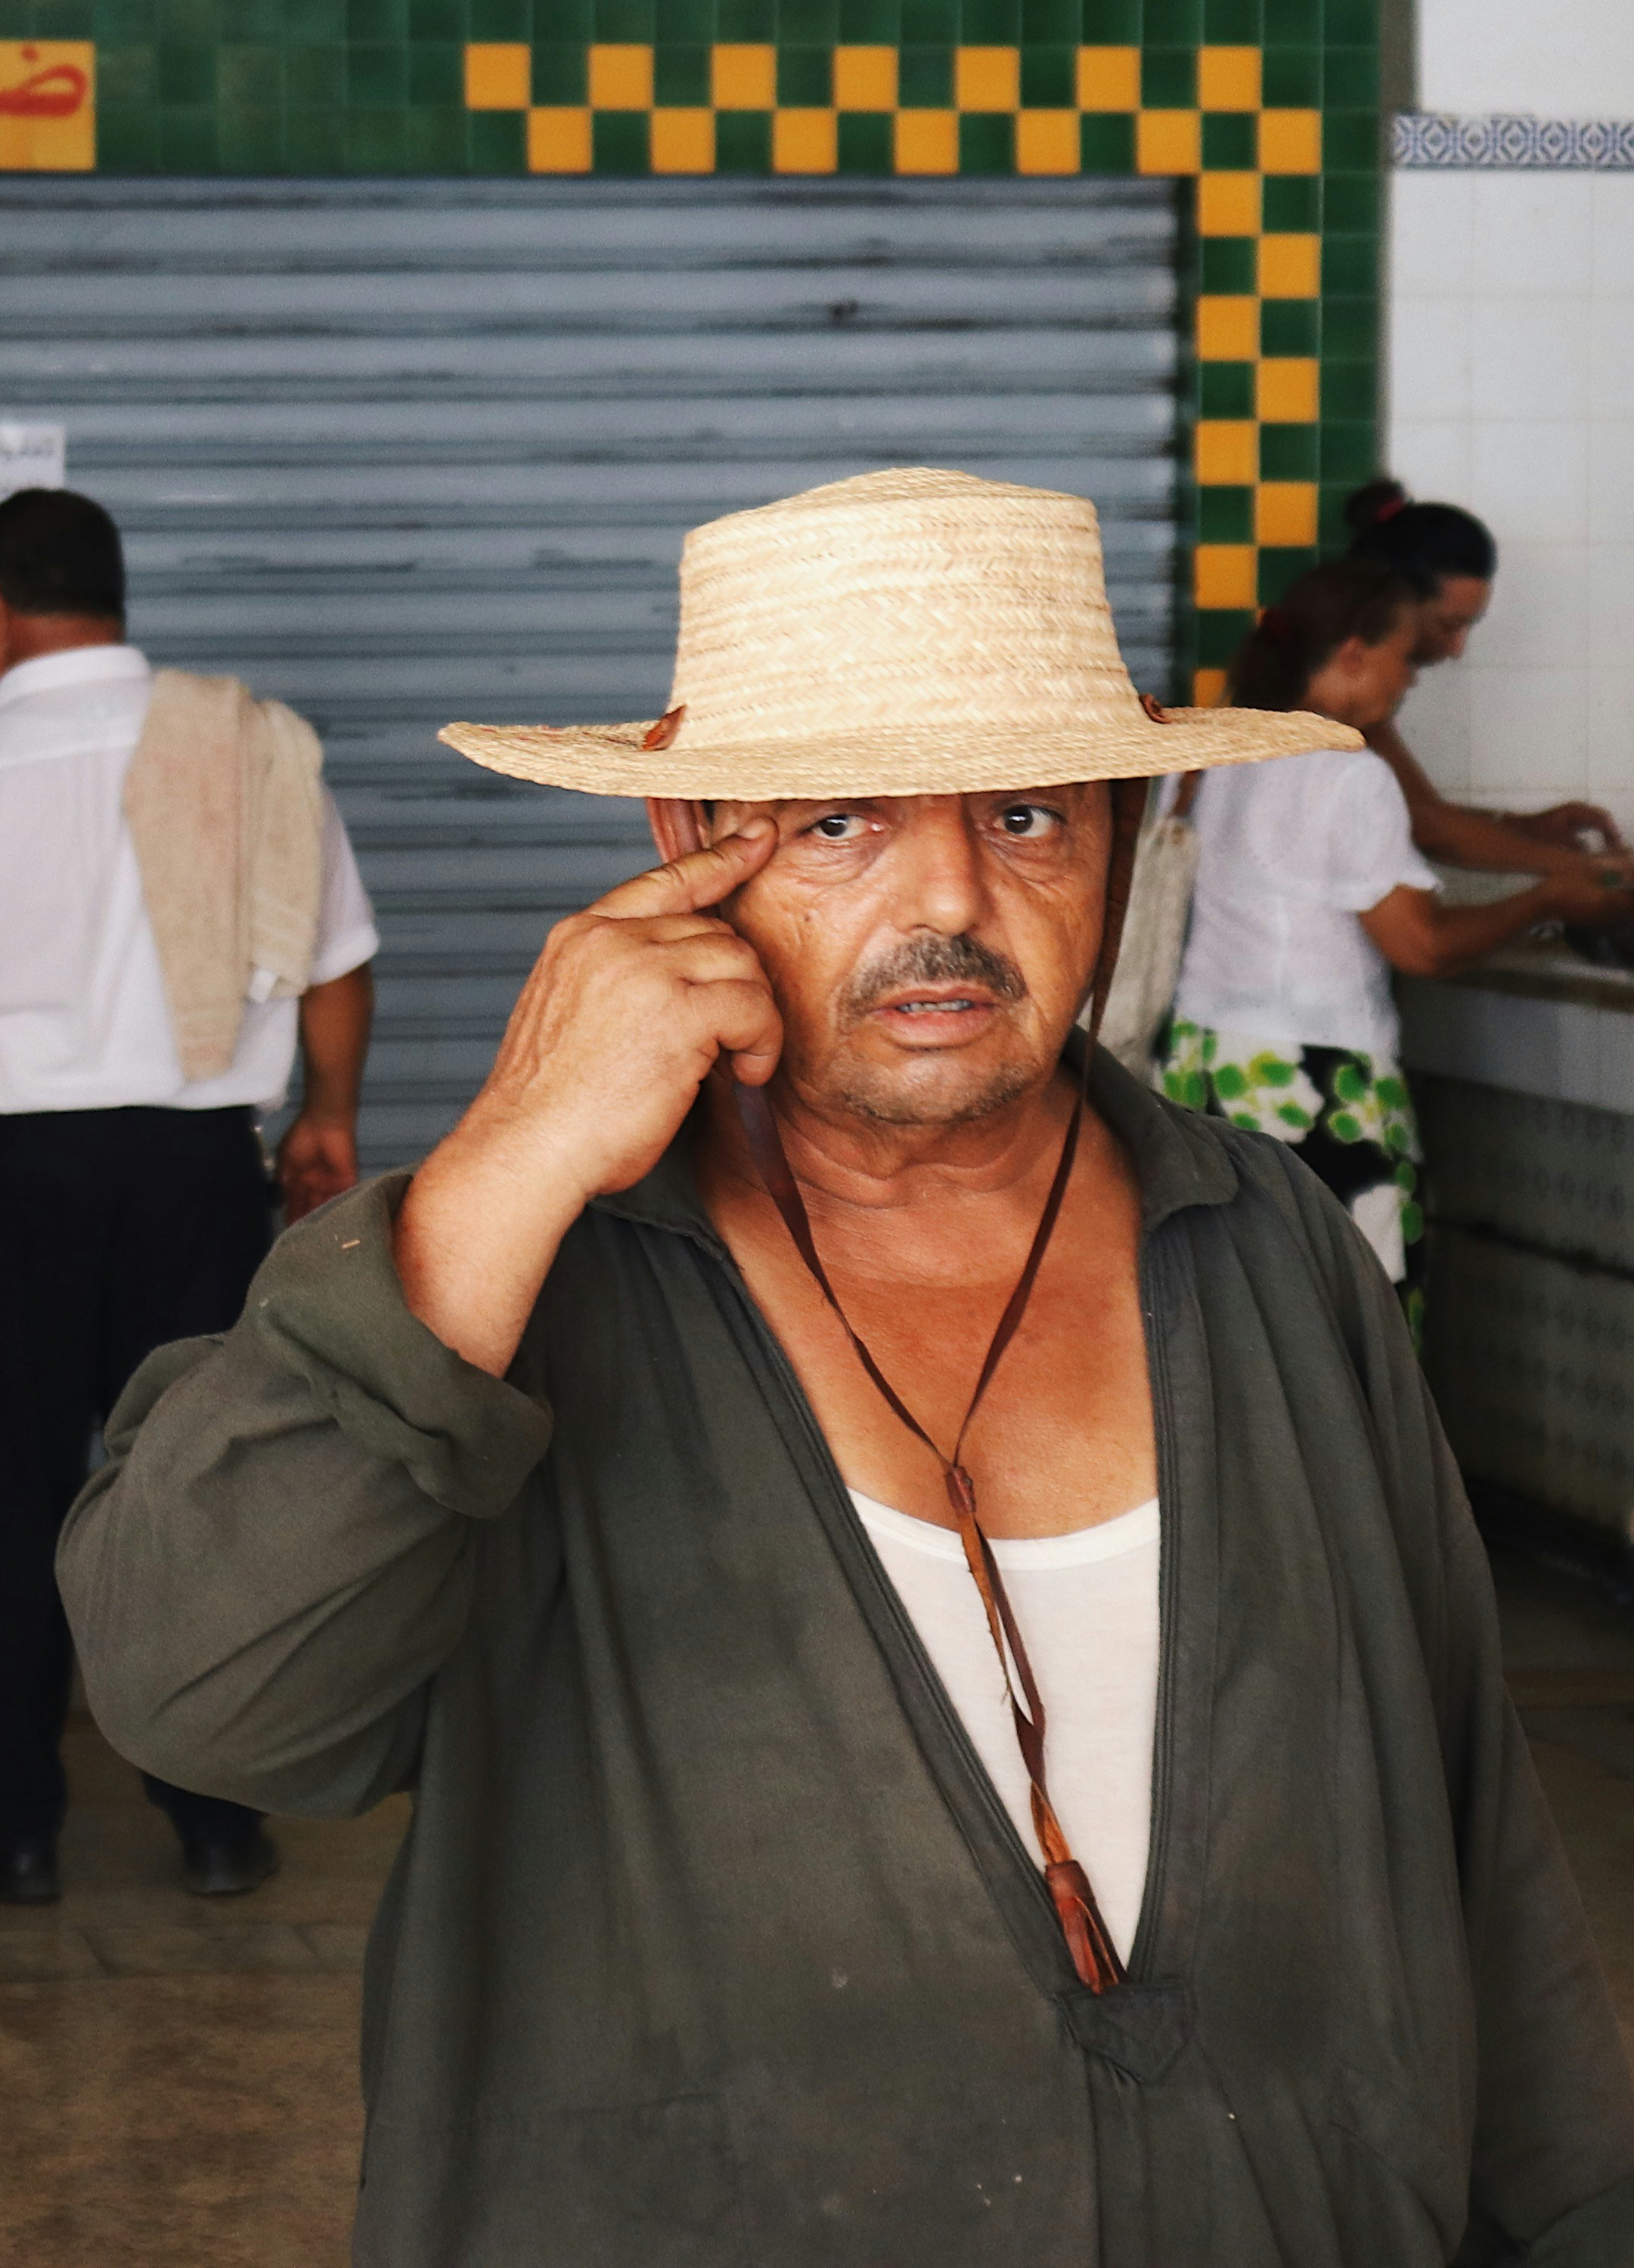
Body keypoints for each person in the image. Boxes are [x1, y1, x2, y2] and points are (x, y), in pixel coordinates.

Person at [60, 472, 1634, 2266]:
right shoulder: (525, 1283)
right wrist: (504, 1157)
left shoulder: (1265, 1242)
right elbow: (205, 1700)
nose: (949, 896)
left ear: (1119, 833)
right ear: (684, 831)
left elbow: (1468, 1823)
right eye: (836, 823)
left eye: (1029, 812)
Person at [0, 487, 379, 1906]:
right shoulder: (245, 746)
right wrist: (327, 1122)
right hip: (189, 1169)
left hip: (11, 1176)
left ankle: (17, 1828)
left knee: (9, 1499)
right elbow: (335, 958)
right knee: (198, 1495)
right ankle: (214, 1823)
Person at [1159, 558, 1632, 1343]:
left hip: (1201, 1073)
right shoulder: (1350, 776)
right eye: (1403, 657)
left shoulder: (1216, 754)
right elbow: (1422, 946)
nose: (1410, 682)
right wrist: (1548, 899)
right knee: (1354, 1342)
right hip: (1319, 1089)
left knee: (1236, 1339)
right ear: (1351, 654)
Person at [1345, 479, 1628, 875]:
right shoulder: (1339, 689)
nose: (1457, 649)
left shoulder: (1353, 684)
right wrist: (1585, 871)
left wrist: (1527, 829)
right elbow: (1428, 830)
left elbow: (1413, 812)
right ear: (1394, 607)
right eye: (1448, 626)